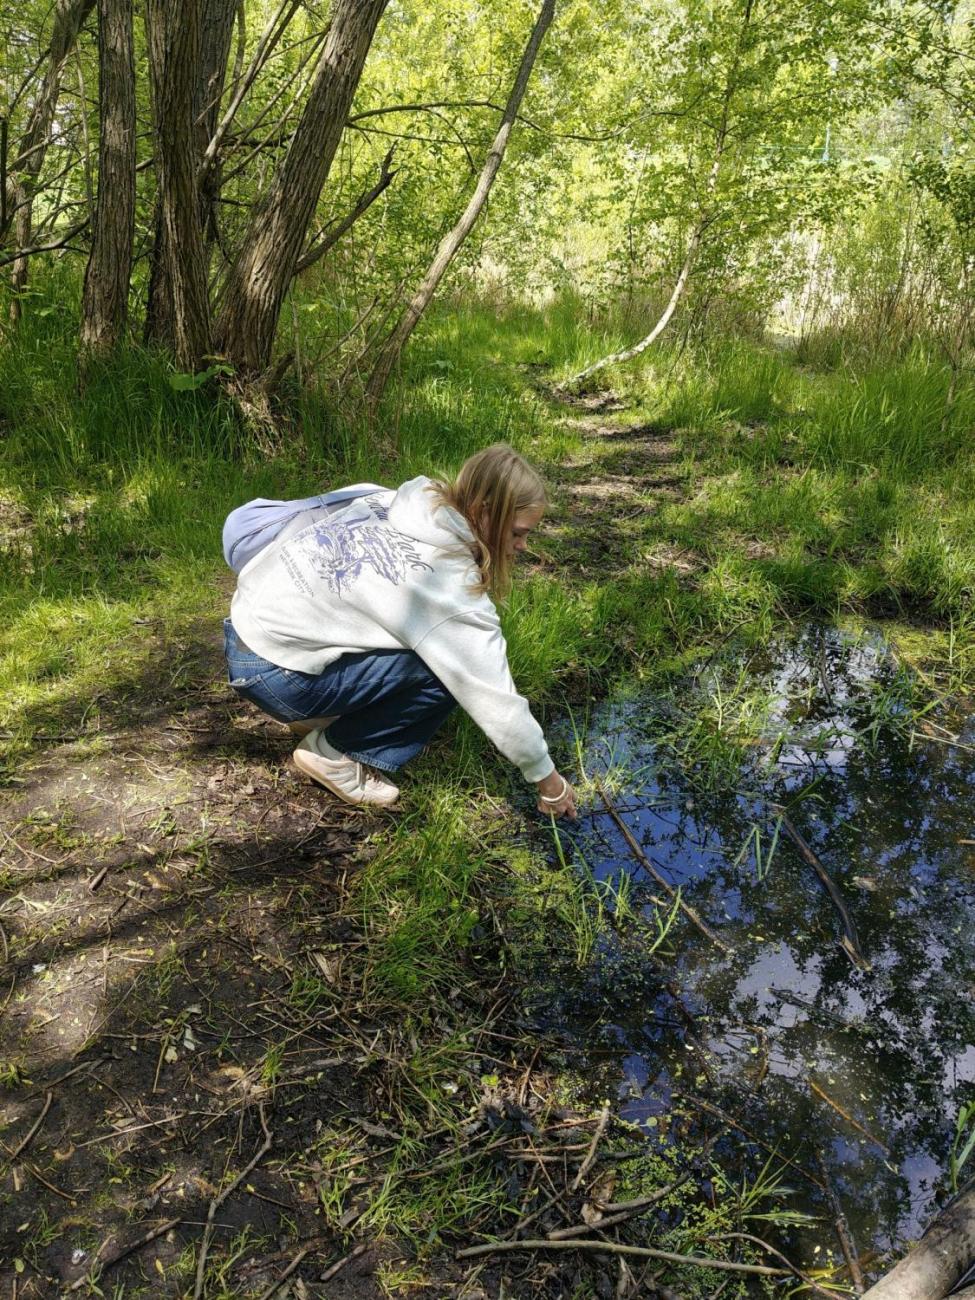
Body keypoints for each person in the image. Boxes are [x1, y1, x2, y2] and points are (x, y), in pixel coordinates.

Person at [223, 444, 577, 819]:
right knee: (443, 675)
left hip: (245, 629)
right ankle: (334, 756)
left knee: (419, 648)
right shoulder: (447, 584)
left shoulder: (392, 500)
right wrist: (549, 783)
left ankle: (314, 709)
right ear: (486, 512)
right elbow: (495, 700)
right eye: (518, 533)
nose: (522, 546)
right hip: (270, 674)